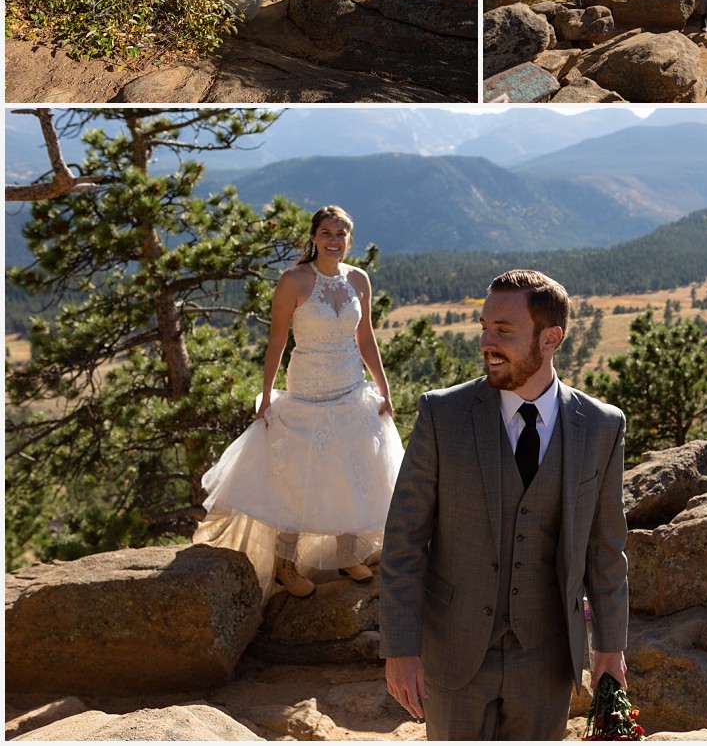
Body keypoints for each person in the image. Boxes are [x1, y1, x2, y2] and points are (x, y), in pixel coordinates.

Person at [379, 269, 629, 740]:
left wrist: (609, 651)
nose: (486, 342)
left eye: (504, 331)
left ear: (551, 337)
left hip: (548, 659)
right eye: (484, 327)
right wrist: (400, 647)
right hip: (454, 654)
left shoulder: (601, 427)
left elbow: (606, 550)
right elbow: (404, 540)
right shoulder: (442, 414)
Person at [193, 206, 404, 599]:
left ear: (349, 239)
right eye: (327, 232)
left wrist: (384, 388)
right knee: (296, 475)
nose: (334, 240)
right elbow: (276, 341)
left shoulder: (359, 279)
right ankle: (286, 566)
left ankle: (347, 554)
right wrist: (267, 396)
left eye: (341, 234)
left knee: (351, 465)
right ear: (313, 237)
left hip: (350, 386)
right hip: (307, 389)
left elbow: (366, 338)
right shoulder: (294, 280)